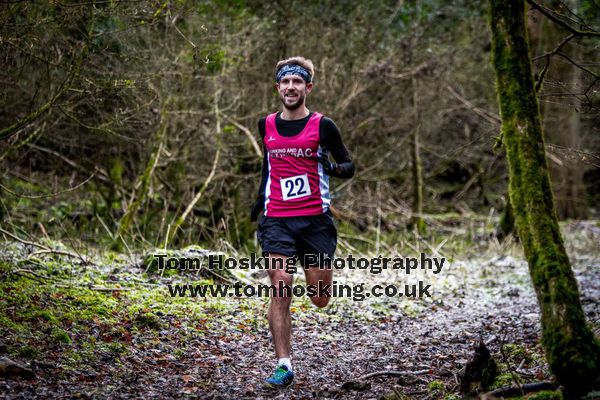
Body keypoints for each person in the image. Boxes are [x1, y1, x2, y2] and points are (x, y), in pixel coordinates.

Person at [250, 56, 355, 387]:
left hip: (314, 221)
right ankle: (284, 364)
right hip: (277, 219)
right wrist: (259, 202)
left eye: (297, 82)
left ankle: (320, 286)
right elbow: (268, 167)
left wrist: (331, 167)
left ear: (308, 87)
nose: (291, 87)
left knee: (319, 296)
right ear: (277, 87)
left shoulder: (324, 126)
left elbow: (349, 166)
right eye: (285, 82)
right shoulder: (265, 125)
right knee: (281, 284)